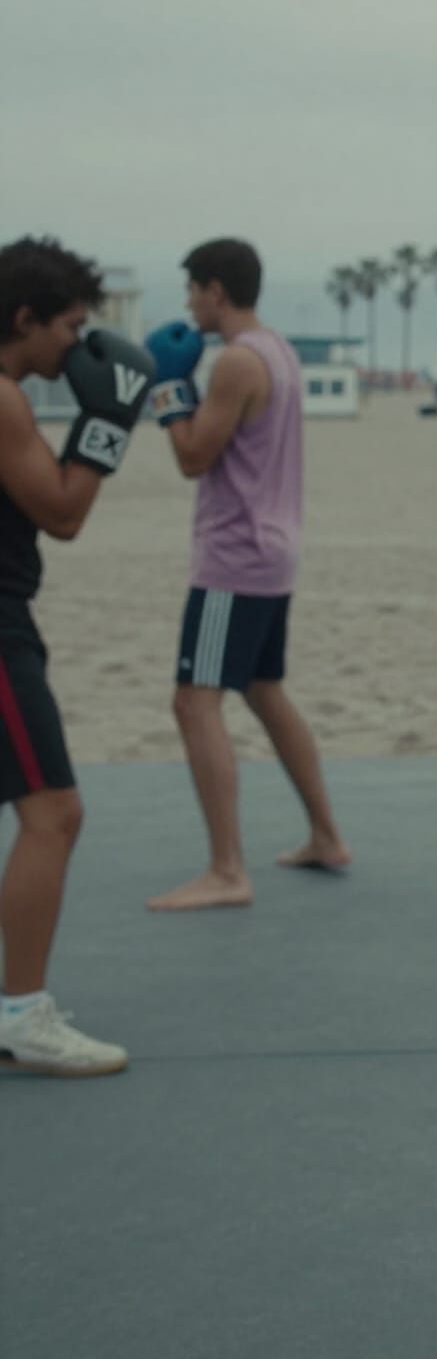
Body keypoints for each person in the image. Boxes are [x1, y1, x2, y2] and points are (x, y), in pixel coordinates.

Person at [145, 238, 349, 912]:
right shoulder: (278, 350)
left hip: (234, 557)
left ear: (216, 291)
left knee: (193, 701)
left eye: (192, 290)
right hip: (273, 549)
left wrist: (168, 389)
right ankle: (326, 836)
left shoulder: (236, 361)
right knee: (264, 691)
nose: (187, 305)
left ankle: (227, 870)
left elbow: (193, 457)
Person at [0, 236, 154, 1075]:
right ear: (24, 318)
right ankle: (21, 1014)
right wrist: (106, 424)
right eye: (67, 326)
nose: (76, 345)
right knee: (54, 813)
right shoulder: (3, 401)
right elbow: (62, 513)